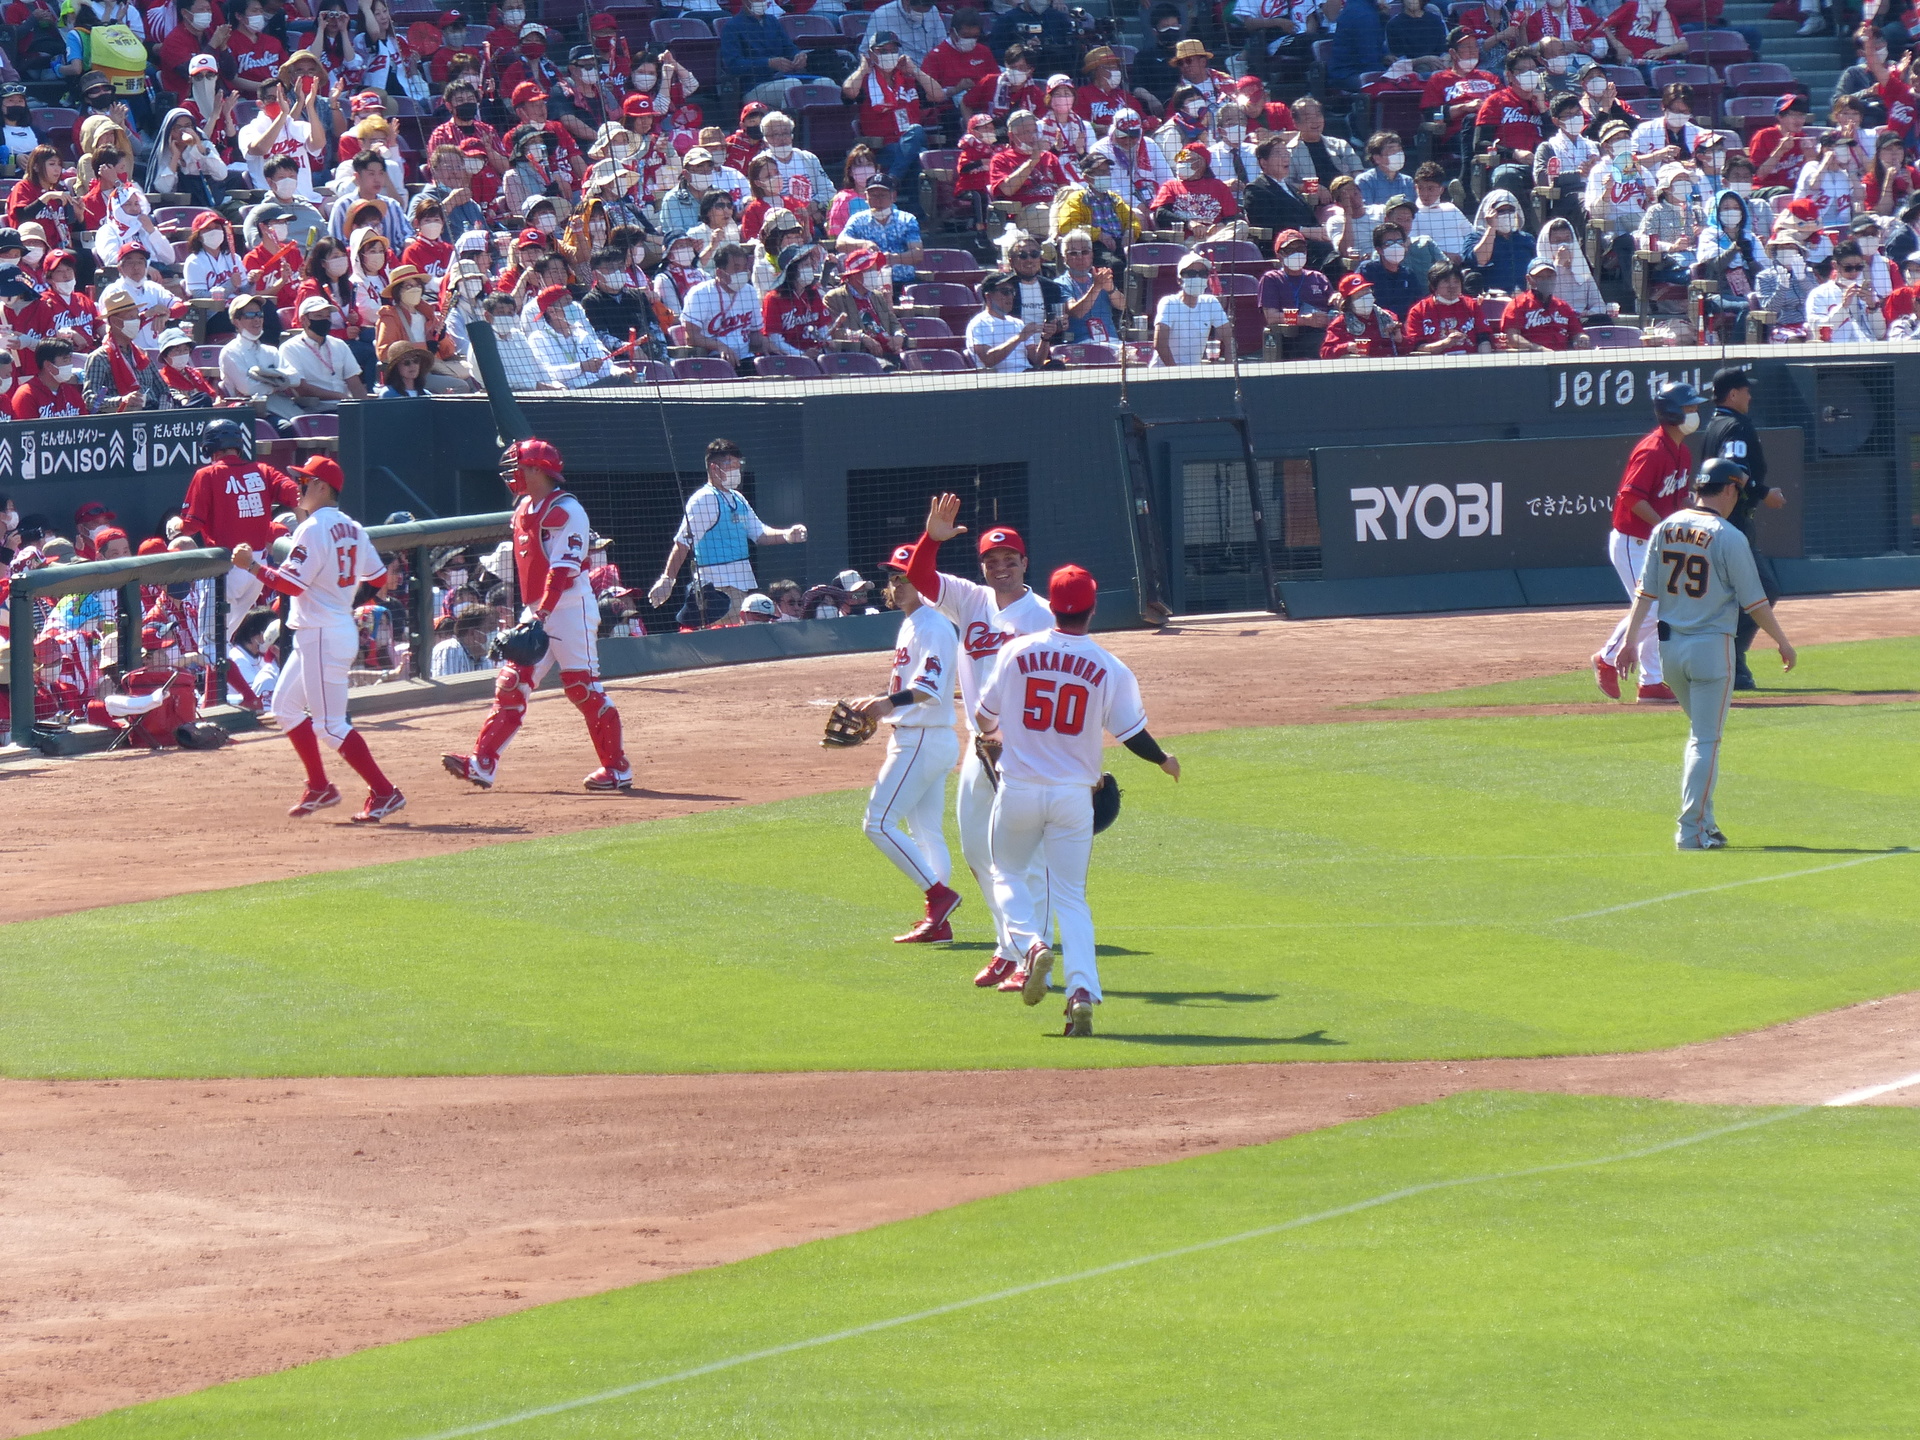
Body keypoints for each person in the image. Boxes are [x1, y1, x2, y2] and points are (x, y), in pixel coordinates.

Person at [974, 563, 1180, 1036]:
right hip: (1074, 799)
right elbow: (1132, 734)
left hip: (1021, 788)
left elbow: (986, 720)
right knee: (1072, 899)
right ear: (1092, 607)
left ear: (1052, 603)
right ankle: (1082, 993)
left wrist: (1000, 734)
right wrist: (1163, 760)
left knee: (1005, 870)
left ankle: (1029, 946)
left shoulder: (1017, 652)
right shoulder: (1109, 666)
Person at [897, 494, 1055, 989]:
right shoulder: (970, 599)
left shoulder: (1045, 616)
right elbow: (922, 579)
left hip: (1027, 751)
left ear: (1025, 563)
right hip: (978, 748)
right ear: (982, 565)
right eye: (992, 560)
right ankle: (1008, 944)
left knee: (1028, 858)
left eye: (1010, 560)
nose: (1001, 568)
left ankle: (1033, 951)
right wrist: (932, 539)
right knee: (977, 852)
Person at [1614, 460, 1798, 849]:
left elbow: (1646, 592)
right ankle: (1692, 829)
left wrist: (1629, 642)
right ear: (1728, 490)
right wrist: (1782, 641)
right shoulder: (1729, 536)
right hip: (1712, 651)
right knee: (1705, 740)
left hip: (1670, 653)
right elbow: (1755, 601)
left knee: (1700, 737)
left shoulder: (1665, 527)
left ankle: (1706, 821)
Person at [444, 439, 632, 792]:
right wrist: (531, 612)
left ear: (536, 470)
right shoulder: (523, 509)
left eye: (518, 467)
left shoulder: (567, 510)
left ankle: (617, 768)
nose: (512, 474)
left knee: (582, 688)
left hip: (570, 608)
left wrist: (541, 613)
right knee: (511, 683)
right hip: (540, 609)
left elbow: (562, 569)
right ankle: (483, 763)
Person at [229, 456, 405, 822]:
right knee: (285, 708)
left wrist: (252, 566)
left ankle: (385, 792)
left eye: (305, 481)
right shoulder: (354, 527)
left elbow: (290, 584)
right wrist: (345, 604)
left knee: (329, 725)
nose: (298, 487)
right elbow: (376, 578)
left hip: (324, 634)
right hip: (325, 629)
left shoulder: (312, 528)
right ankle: (319, 785)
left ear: (323, 487)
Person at [845, 543, 964, 944]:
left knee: (877, 823)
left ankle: (939, 895)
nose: (897, 584)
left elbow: (928, 688)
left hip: (921, 741)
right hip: (928, 737)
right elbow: (910, 683)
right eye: (893, 577)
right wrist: (881, 702)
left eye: (905, 576)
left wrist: (886, 705)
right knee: (927, 832)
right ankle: (939, 923)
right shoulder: (912, 622)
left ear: (923, 582)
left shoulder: (933, 625)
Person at [1595, 380, 1699, 703]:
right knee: (1654, 609)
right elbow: (1630, 497)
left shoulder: (1682, 451)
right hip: (1633, 542)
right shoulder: (1652, 450)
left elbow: (1676, 502)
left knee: (1664, 611)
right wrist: (1665, 525)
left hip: (1656, 543)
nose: (1695, 413)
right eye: (1690, 408)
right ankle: (1607, 657)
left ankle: (1651, 682)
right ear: (1672, 413)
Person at [647, 438, 807, 623]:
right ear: (715, 468)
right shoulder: (705, 499)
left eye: (739, 466)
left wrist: (787, 535)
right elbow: (683, 543)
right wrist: (667, 580)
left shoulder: (737, 498)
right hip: (716, 593)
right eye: (731, 466)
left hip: (740, 588)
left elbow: (760, 534)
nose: (736, 471)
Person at [1697, 367, 1787, 691]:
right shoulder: (1734, 425)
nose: (1750, 395)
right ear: (1732, 394)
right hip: (1731, 521)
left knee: (1733, 595)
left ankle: (1729, 661)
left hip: (1719, 519)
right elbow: (1731, 469)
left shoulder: (1716, 424)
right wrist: (1765, 493)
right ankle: (1731, 657)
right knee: (1763, 589)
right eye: (1745, 390)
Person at [1153, 253, 1231, 364]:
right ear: (1179, 279)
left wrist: (1231, 374)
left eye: (1203, 274)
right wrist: (1178, 375)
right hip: (1163, 375)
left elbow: (1229, 340)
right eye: (1191, 273)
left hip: (1194, 375)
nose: (1198, 278)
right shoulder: (1169, 303)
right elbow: (1159, 344)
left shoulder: (1211, 302)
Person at [966, 269, 1052, 372]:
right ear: (988, 296)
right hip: (1001, 380)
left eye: (1012, 292)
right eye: (1005, 292)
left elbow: (1037, 361)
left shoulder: (1018, 323)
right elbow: (988, 361)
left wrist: (1045, 338)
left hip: (1026, 376)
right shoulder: (979, 323)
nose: (1010, 297)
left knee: (1057, 366)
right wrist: (1019, 338)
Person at [1501, 257, 1591, 348]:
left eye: (1550, 276)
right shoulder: (1517, 304)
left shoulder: (1563, 306)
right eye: (1540, 277)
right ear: (1529, 279)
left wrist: (1582, 338)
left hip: (1562, 358)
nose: (1546, 280)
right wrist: (1537, 349)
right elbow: (1512, 338)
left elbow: (1577, 332)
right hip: (1531, 358)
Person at [432, 603, 494, 677]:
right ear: (472, 633)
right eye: (490, 629)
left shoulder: (485, 661)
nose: (495, 634)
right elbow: (446, 687)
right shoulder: (449, 649)